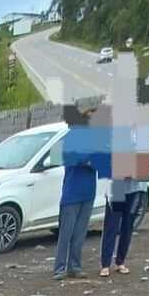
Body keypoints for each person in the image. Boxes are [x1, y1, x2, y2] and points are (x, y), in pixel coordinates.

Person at [100, 116, 149, 277]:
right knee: (111, 223)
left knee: (128, 224)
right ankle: (105, 264)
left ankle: (120, 261)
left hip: (138, 183)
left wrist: (147, 162)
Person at [55, 97, 107, 280]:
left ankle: (75, 267)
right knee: (66, 233)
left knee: (80, 234)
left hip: (88, 193)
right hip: (72, 194)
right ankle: (59, 268)